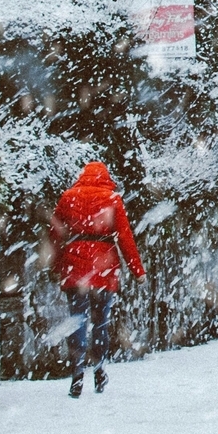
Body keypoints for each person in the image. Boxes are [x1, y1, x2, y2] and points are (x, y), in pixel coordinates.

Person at [51, 160, 145, 397]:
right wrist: (137, 270)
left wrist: (55, 266)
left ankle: (77, 373)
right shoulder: (112, 199)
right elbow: (124, 236)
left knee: (77, 320)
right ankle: (100, 368)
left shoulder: (67, 198)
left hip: (75, 267)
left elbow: (55, 235)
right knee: (100, 322)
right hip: (104, 267)